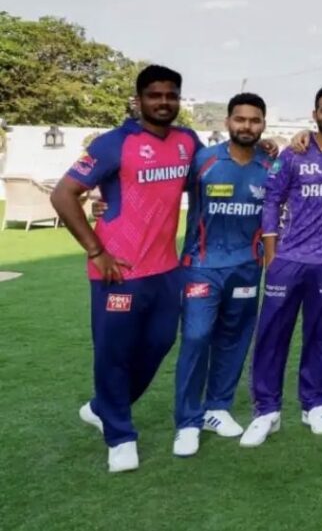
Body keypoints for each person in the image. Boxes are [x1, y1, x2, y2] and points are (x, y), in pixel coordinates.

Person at [50, 65, 202, 472]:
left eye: (171, 95)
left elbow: (210, 173)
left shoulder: (188, 141)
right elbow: (63, 194)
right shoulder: (113, 144)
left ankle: (103, 407)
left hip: (166, 269)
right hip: (119, 270)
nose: (163, 102)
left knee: (160, 343)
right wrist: (96, 251)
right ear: (138, 100)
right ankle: (119, 436)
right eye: (155, 95)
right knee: (113, 354)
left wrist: (269, 150)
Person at [240, 85, 322, 447]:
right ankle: (266, 409)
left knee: (321, 333)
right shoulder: (294, 153)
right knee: (272, 334)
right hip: (288, 259)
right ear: (315, 114)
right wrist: (272, 253)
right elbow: (272, 199)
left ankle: (314, 403)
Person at [170, 93, 272, 457]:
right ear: (228, 121)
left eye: (254, 120)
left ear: (263, 124)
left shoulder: (269, 165)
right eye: (240, 119)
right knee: (196, 337)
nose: (247, 126)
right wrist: (106, 201)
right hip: (201, 266)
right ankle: (187, 421)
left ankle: (217, 407)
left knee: (234, 338)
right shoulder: (203, 160)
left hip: (247, 268)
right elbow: (160, 190)